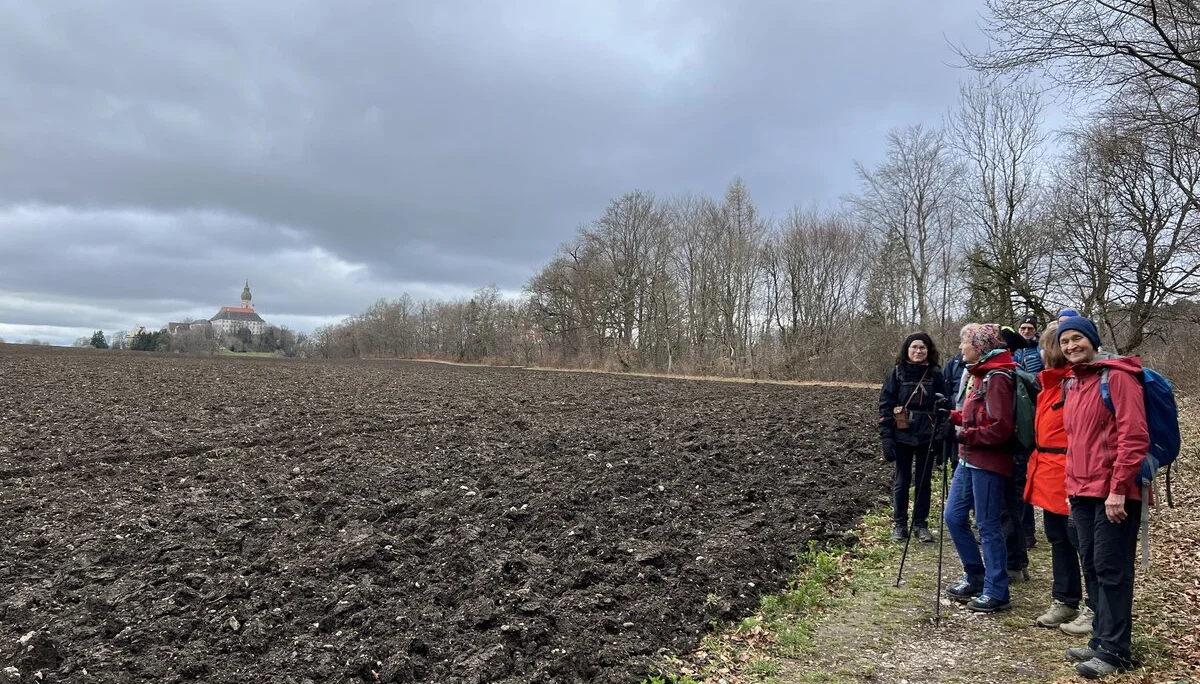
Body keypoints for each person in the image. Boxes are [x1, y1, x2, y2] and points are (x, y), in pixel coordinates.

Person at [1058, 315, 1147, 678]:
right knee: (1093, 564)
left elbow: (1134, 437)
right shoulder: (1074, 382)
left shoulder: (1119, 377)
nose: (1070, 346)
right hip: (1081, 490)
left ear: (1092, 340)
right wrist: (1069, 489)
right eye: (1065, 342)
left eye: (1077, 339)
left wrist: (1118, 490)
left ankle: (1116, 650)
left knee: (1112, 570)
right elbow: (1076, 441)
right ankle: (1099, 639)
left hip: (1114, 493)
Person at [944, 323, 1018, 613]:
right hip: (969, 457)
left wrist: (962, 434)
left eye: (964, 343)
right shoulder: (980, 373)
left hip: (988, 461)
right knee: (953, 517)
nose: (961, 348)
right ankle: (975, 574)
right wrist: (951, 417)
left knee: (987, 525)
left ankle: (997, 590)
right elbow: (975, 416)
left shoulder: (997, 377)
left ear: (979, 347)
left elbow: (1000, 429)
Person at [1024, 322, 1091, 630]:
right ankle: (1065, 600)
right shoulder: (1050, 385)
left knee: (1083, 542)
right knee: (1058, 539)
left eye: (1043, 346)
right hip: (1050, 474)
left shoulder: (1073, 384)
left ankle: (1094, 608)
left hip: (1071, 475)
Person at [878, 332, 949, 543]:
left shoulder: (936, 374)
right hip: (902, 434)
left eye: (923, 348)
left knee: (924, 481)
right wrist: (886, 438)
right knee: (902, 480)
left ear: (929, 351)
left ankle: (921, 524)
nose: (919, 351)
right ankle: (900, 524)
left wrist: (942, 436)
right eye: (915, 347)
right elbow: (886, 405)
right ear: (907, 350)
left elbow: (945, 407)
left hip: (928, 436)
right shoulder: (896, 373)